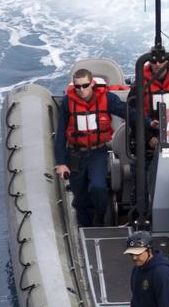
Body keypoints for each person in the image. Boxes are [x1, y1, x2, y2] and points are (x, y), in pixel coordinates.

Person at [54, 69, 127, 228]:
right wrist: (61, 162)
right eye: (77, 86)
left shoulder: (107, 99)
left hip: (97, 152)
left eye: (84, 85)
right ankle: (84, 225)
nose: (81, 90)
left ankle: (100, 216)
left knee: (98, 186)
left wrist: (149, 123)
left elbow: (129, 112)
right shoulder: (67, 103)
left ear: (92, 84)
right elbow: (60, 135)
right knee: (80, 197)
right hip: (75, 154)